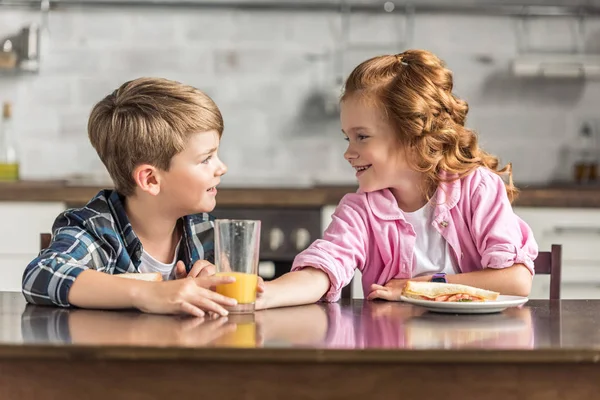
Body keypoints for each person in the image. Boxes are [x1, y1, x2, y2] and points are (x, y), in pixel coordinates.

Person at [257, 49, 538, 309]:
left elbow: (515, 280)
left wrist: (421, 287)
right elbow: (323, 268)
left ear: (412, 134)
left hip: (476, 350)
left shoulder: (477, 189)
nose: (348, 152)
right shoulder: (362, 211)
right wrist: (264, 295)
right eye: (348, 138)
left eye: (362, 137)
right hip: (393, 351)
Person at [22, 77, 254, 317]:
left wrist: (216, 280)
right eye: (206, 159)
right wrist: (149, 293)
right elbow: (42, 273)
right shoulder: (96, 230)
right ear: (151, 180)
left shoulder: (205, 232)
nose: (222, 167)